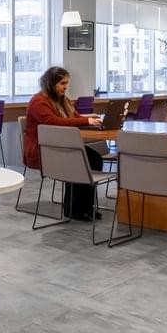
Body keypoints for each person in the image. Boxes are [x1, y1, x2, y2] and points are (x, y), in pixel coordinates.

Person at [24, 67, 104, 221]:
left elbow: (74, 117)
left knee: (94, 158)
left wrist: (92, 122)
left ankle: (86, 206)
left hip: (61, 145)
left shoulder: (63, 100)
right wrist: (85, 120)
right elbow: (53, 122)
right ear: (50, 84)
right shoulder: (38, 101)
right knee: (80, 160)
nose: (66, 87)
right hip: (44, 150)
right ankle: (74, 208)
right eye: (62, 83)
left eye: (66, 83)